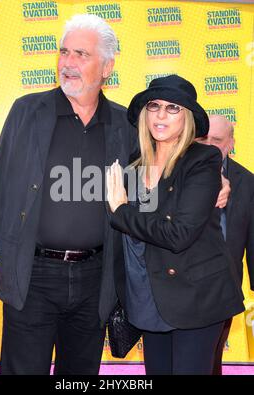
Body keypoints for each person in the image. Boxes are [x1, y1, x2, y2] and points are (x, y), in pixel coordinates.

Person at [0, 14, 140, 375]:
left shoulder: (126, 125)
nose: (68, 63)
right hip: (32, 275)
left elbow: (150, 193)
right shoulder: (27, 112)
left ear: (107, 66)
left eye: (81, 54)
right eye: (64, 52)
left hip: (96, 280)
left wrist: (218, 181)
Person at [106, 75, 245, 375]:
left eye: (173, 108)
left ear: (188, 118)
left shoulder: (202, 160)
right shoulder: (133, 165)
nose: (160, 114)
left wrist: (121, 210)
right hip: (148, 297)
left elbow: (178, 234)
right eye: (154, 106)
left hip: (195, 298)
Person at [196, 115, 254, 375]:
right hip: (177, 287)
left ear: (231, 143)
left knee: (212, 363)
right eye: (203, 138)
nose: (208, 146)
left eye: (216, 140)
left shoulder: (248, 182)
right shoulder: (172, 174)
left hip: (225, 290)